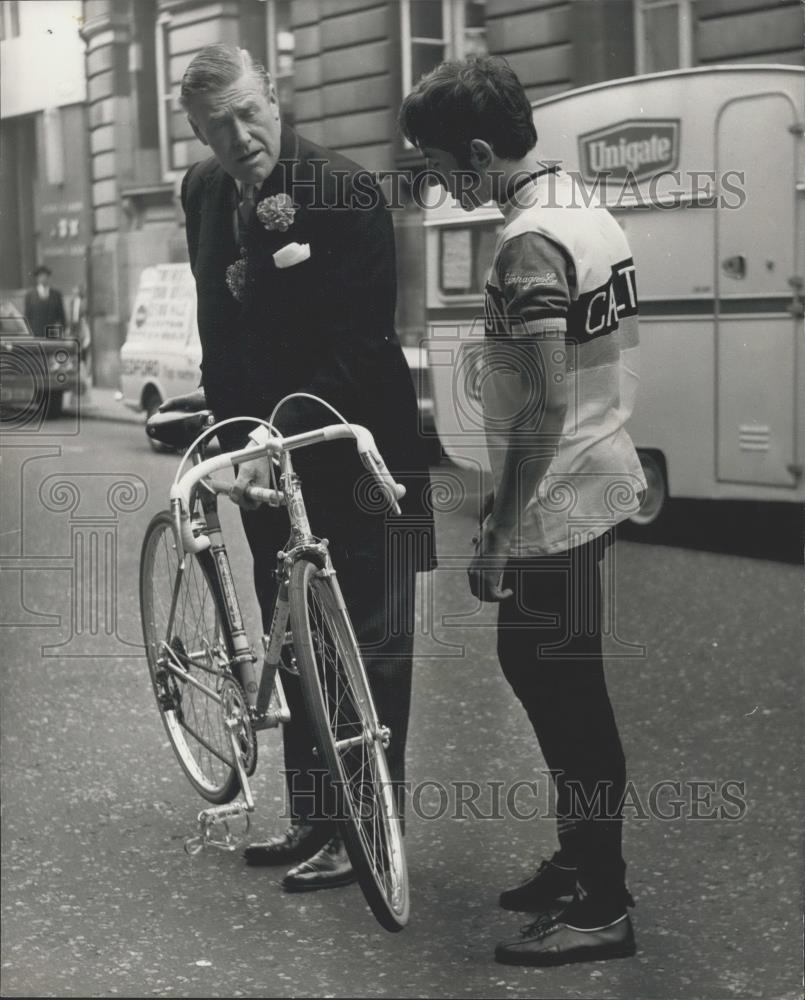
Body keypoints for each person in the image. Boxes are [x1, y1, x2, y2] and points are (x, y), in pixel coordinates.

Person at [161, 44, 435, 892]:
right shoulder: (205, 192)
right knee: (298, 637)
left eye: (249, 112)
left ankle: (365, 832)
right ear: (198, 133)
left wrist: (278, 435)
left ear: (273, 95)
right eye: (217, 126)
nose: (240, 136)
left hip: (355, 449)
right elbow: (220, 330)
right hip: (263, 463)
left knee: (374, 648)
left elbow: (361, 344)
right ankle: (317, 816)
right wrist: (228, 440)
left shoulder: (344, 189)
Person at [400, 56, 646, 966]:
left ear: (474, 152)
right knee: (552, 675)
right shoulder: (583, 207)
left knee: (566, 692)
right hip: (595, 472)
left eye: (432, 163)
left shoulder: (528, 243)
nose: (430, 181)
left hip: (556, 491)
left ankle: (602, 903)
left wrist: (497, 530)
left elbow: (540, 405)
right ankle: (581, 864)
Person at [24, 265, 66, 339]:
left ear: (48, 277)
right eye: (40, 276)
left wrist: (63, 330)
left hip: (52, 333)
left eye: (45, 276)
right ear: (37, 278)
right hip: (36, 334)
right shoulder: (30, 296)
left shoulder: (56, 294)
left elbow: (61, 315)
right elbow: (27, 316)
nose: (43, 278)